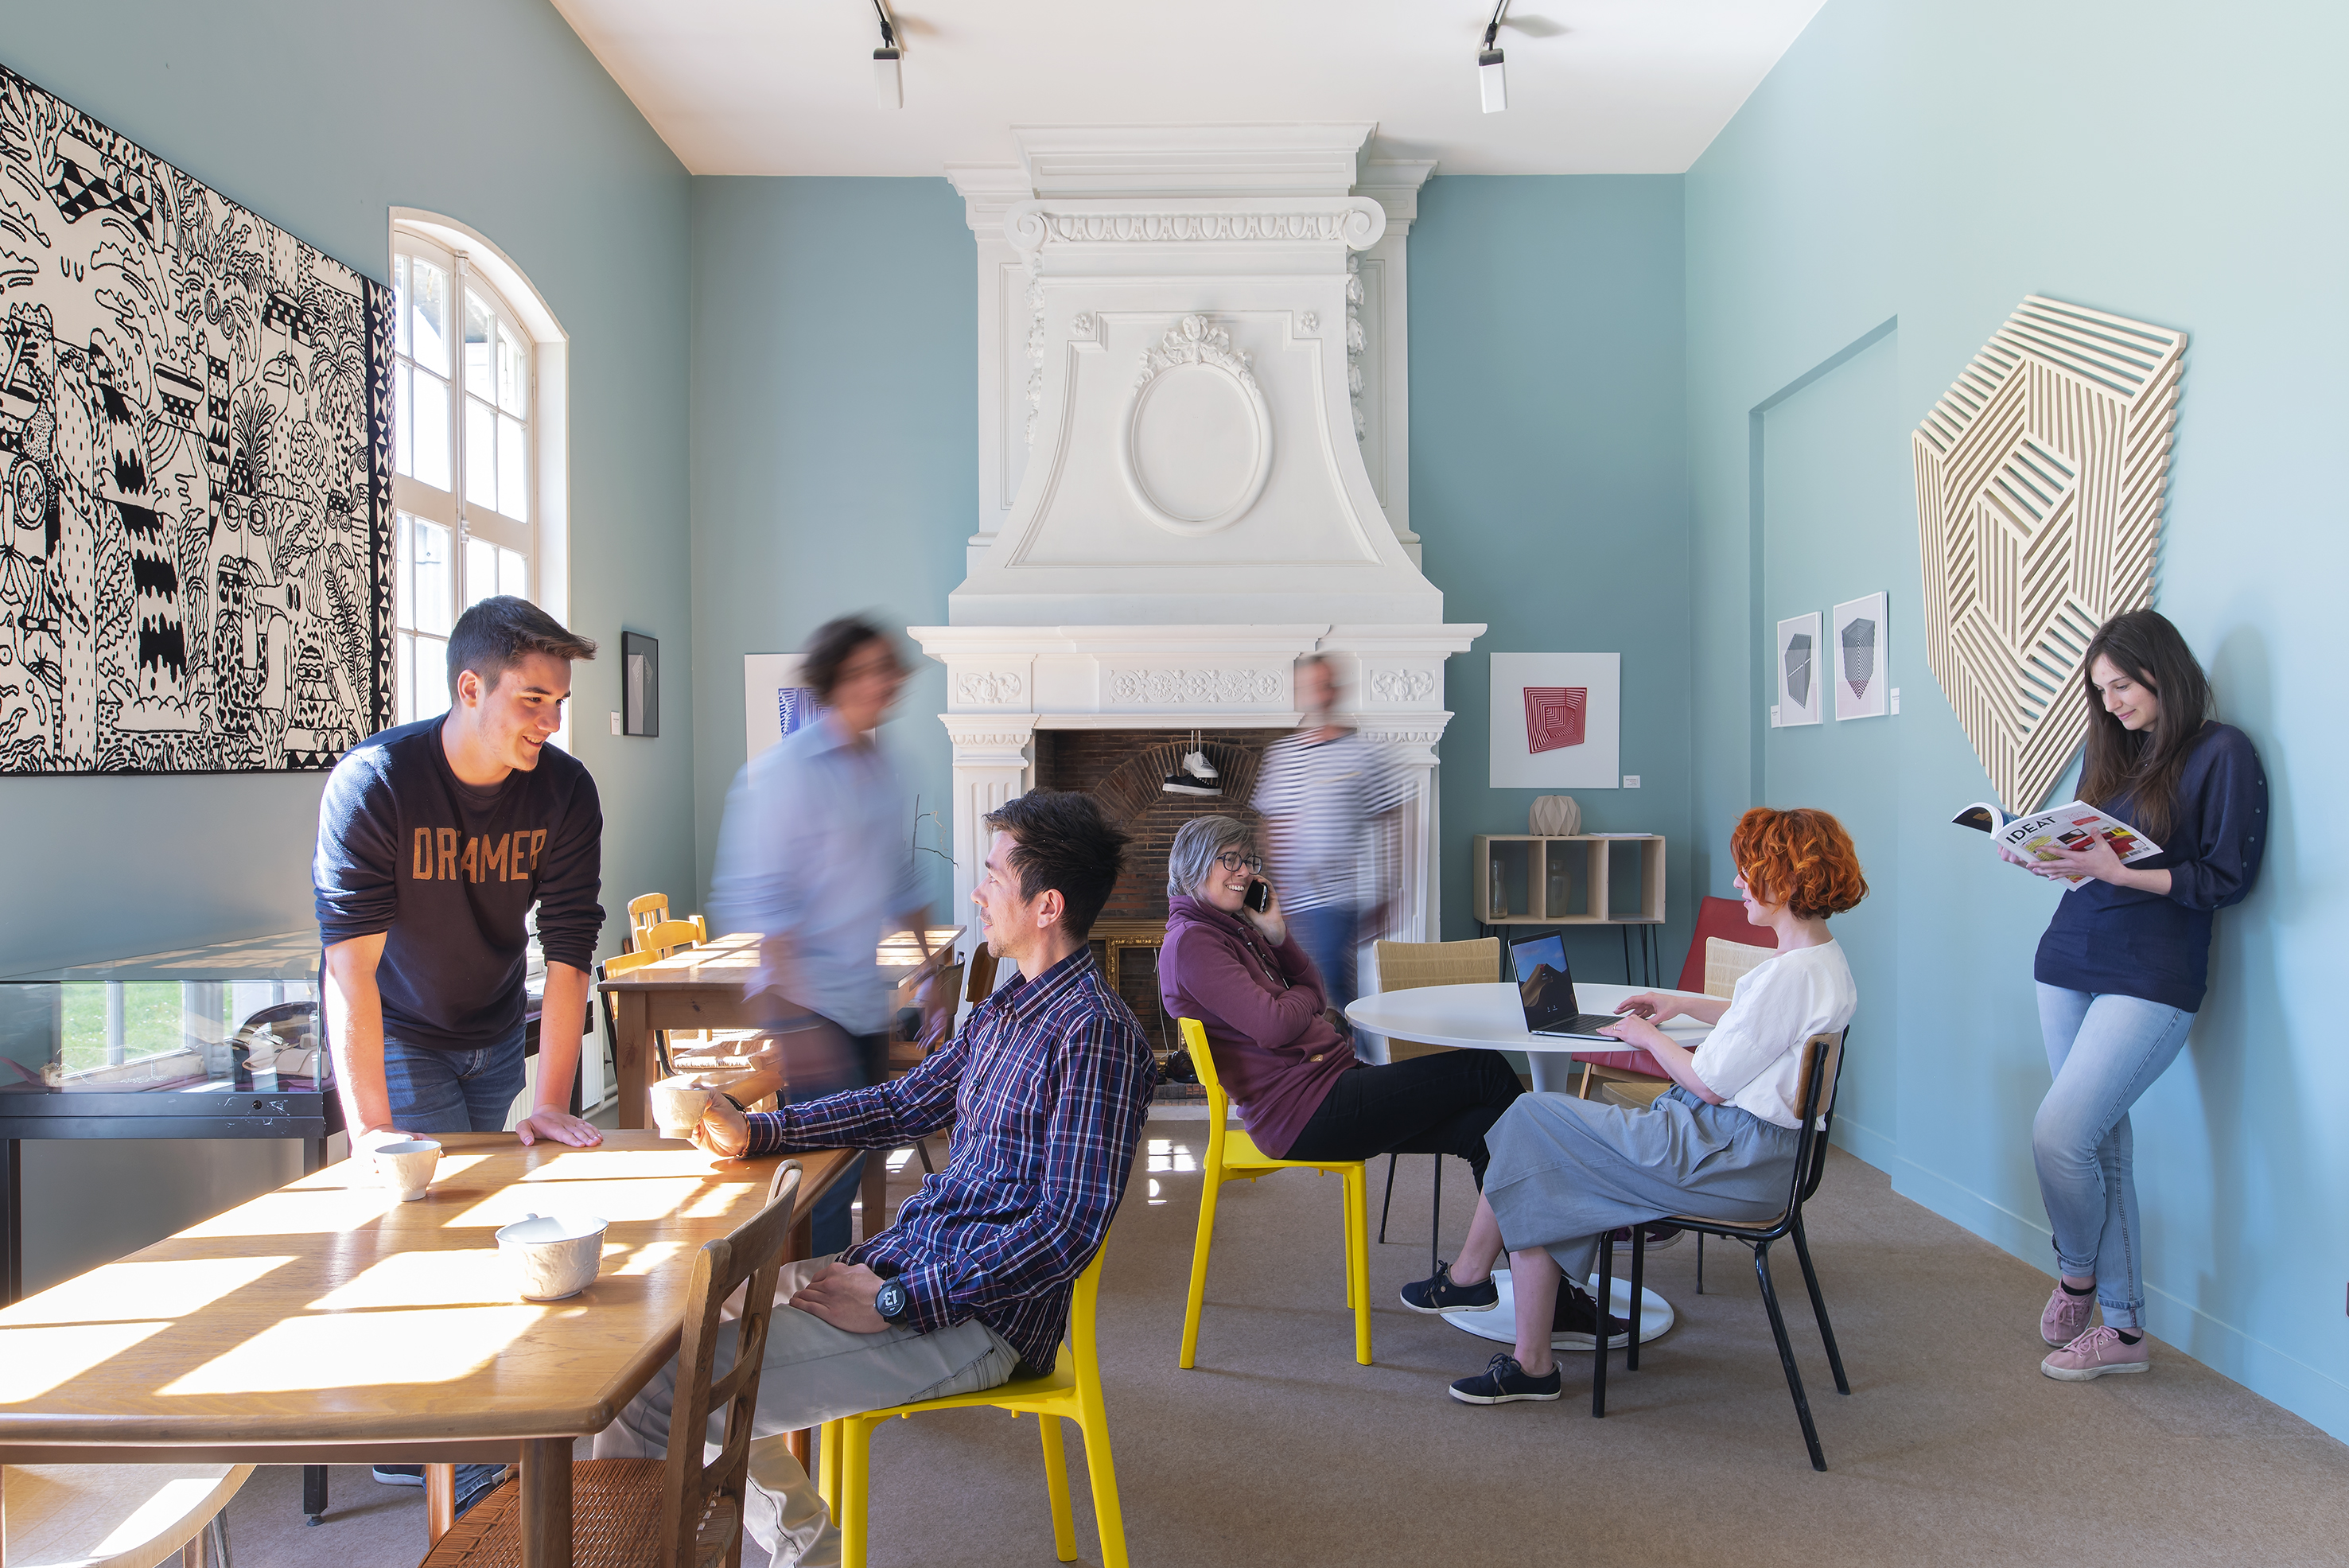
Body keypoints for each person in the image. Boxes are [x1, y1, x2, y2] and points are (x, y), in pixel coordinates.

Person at [595, 791, 1153, 1566]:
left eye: (993, 875)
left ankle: (774, 1548)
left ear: (1046, 904)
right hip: (910, 1267)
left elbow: (1065, 1233)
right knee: (675, 1328)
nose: (977, 891)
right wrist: (759, 1129)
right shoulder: (1007, 1010)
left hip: (976, 1318)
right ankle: (807, 1545)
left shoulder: (1096, 1036)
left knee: (656, 1394)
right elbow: (903, 1103)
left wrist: (897, 1300)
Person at [1409, 807, 1864, 1406]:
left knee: (1528, 1118)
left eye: (1748, 870)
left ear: (1784, 877)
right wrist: (1683, 1003)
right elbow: (1759, 1022)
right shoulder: (1821, 962)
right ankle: (1526, 1352)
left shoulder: (1787, 976)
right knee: (1541, 1150)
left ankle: (1476, 1286)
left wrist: (1644, 1035)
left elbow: (1707, 1083)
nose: (1737, 882)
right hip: (1763, 1159)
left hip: (1725, 1159)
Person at [313, 594, 605, 1502]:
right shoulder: (376, 783)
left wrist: (550, 1100)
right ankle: (482, 1484)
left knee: (483, 1217)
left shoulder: (564, 790)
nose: (550, 721)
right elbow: (349, 970)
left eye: (559, 702)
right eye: (532, 699)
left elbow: (570, 953)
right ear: (470, 688)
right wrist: (372, 1132)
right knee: (454, 1237)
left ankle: (418, 1437)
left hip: (494, 1027)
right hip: (401, 1031)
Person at [2013, 610, 2266, 1381]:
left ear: (2164, 670)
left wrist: (2121, 872)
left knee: (2059, 1135)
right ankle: (2123, 1330)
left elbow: (2226, 878)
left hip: (2152, 968)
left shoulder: (2223, 752)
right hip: (2068, 954)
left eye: (2122, 685)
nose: (2112, 702)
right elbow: (2089, 858)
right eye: (2101, 691)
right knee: (2101, 1145)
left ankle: (2076, 1274)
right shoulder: (2112, 753)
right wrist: (2052, 859)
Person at [1158, 815, 1523, 1257]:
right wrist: (1299, 1001)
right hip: (1303, 1110)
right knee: (1485, 1069)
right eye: (1228, 860)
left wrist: (1277, 935)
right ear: (1194, 867)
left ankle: (1500, 1278)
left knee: (1485, 1131)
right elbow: (1275, 1025)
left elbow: (1315, 989)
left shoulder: (1232, 929)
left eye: (1248, 860)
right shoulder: (1194, 943)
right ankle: (1539, 1257)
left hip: (1330, 1084)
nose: (1245, 872)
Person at [707, 616, 935, 1257]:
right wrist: (798, 1027)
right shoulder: (787, 771)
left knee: (860, 1154)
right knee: (825, 1176)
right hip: (809, 1005)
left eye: (887, 668)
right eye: (866, 670)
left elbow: (900, 879)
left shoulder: (886, 766)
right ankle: (804, 1292)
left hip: (862, 998)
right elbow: (761, 901)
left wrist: (930, 971)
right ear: (835, 680)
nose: (884, 681)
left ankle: (837, 1273)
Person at [1251, 654, 1405, 1029]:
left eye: (1325, 684)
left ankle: (1354, 1055)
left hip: (1338, 898)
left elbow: (1392, 822)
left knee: (1331, 987)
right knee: (1301, 992)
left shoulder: (1363, 753)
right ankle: (1339, 1055)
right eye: (1310, 686)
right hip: (1293, 903)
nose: (1318, 693)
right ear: (1299, 693)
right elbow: (1273, 825)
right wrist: (1277, 892)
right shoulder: (1283, 756)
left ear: (1337, 689)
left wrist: (1389, 892)